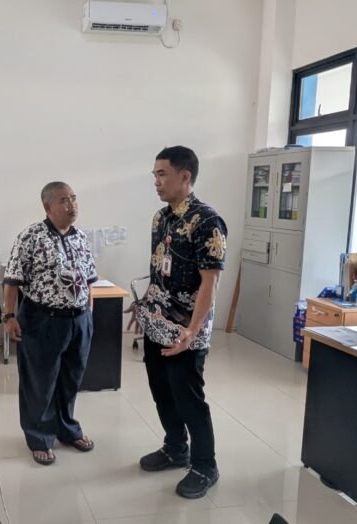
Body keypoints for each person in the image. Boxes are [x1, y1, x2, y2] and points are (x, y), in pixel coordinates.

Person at [136, 146, 227, 499]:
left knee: (189, 398)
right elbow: (160, 270)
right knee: (161, 392)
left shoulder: (207, 221)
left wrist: (192, 329)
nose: (156, 182)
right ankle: (176, 447)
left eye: (162, 174)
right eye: (155, 175)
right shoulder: (161, 218)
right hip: (156, 322)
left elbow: (210, 282)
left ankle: (205, 465)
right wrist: (145, 305)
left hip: (186, 331)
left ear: (185, 176)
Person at [3, 181, 98, 466]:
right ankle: (39, 437)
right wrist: (9, 316)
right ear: (48, 207)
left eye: (74, 198)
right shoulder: (30, 236)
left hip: (78, 321)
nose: (72, 205)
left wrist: (88, 312)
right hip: (42, 320)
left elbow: (89, 278)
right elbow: (12, 280)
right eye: (64, 200)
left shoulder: (81, 237)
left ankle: (67, 429)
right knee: (40, 383)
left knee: (71, 379)